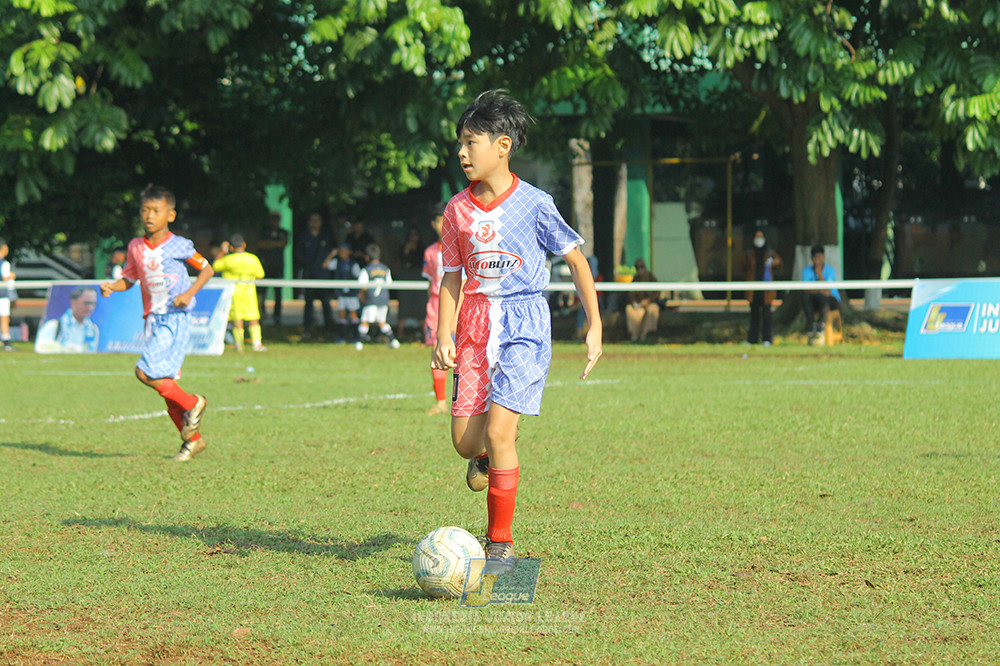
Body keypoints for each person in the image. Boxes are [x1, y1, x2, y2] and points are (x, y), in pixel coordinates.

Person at [432, 90, 603, 561]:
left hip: (525, 322)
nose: (462, 152)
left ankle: (500, 543)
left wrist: (595, 326)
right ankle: (486, 456)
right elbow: (451, 275)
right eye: (459, 144)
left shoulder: (535, 203)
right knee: (467, 443)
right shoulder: (456, 211)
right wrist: (443, 335)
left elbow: (575, 259)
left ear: (502, 146)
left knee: (501, 432)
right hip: (473, 326)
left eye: (471, 142)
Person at [100, 185, 214, 462]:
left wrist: (188, 294)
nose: (149, 216)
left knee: (145, 372)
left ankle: (193, 403)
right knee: (166, 388)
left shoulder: (179, 245)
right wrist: (113, 287)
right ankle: (194, 441)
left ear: (170, 215)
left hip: (175, 319)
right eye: (145, 210)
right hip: (152, 318)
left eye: (156, 211)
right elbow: (129, 278)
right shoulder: (135, 247)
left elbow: (207, 268)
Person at [213, 233, 267, 352]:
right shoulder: (252, 258)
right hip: (249, 292)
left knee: (237, 319)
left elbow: (215, 266)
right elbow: (260, 275)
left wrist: (222, 252)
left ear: (231, 247)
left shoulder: (228, 259)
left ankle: (238, 344)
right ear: (244, 245)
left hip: (234, 293)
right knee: (253, 318)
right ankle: (257, 343)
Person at [422, 204, 452, 415]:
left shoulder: (462, 247)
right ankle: (441, 401)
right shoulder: (430, 252)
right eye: (439, 220)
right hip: (435, 305)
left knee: (464, 353)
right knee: (436, 351)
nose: (442, 225)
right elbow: (430, 282)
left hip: (459, 304)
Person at [296, 213, 334, 339]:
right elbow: (299, 253)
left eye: (317, 220)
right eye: (312, 220)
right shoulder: (304, 237)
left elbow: (333, 250)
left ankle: (329, 329)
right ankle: (307, 328)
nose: (315, 223)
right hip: (310, 274)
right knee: (308, 303)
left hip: (323, 275)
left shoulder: (326, 237)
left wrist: (326, 262)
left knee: (325, 303)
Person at [743, 230, 783, 345]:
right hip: (753, 289)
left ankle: (767, 339)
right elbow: (742, 265)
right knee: (754, 315)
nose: (758, 239)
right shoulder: (749, 252)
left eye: (761, 236)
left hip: (767, 290)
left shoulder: (769, 252)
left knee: (767, 314)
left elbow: (779, 263)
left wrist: (774, 263)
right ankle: (752, 339)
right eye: (757, 236)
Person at [357, 243, 400, 349]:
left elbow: (362, 286)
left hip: (371, 300)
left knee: (365, 321)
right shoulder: (385, 269)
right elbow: (389, 283)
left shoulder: (366, 270)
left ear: (367, 257)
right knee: (381, 321)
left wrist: (362, 296)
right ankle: (393, 340)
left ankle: (359, 342)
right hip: (383, 300)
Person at [35, 286, 100, 353]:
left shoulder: (93, 329)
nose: (90, 308)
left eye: (93, 304)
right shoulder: (53, 325)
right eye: (86, 303)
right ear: (73, 302)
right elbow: (40, 348)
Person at [325, 242, 362, 348]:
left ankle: (356, 336)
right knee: (341, 314)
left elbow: (359, 278)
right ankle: (342, 336)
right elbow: (325, 265)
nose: (342, 253)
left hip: (351, 294)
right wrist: (331, 255)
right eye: (341, 251)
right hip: (341, 293)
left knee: (353, 314)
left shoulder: (353, 264)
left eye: (344, 251)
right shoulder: (336, 262)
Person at [257, 211, 288, 324]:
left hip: (278, 266)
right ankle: (262, 314)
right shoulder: (264, 231)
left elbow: (283, 244)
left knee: (278, 292)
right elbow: (260, 244)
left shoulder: (283, 232)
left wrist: (269, 243)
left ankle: (277, 316)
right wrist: (275, 244)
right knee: (262, 292)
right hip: (265, 265)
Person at [802, 244, 841, 335]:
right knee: (805, 298)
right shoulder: (806, 271)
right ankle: (811, 326)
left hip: (831, 299)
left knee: (825, 299)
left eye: (819, 257)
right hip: (815, 298)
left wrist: (819, 274)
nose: (817, 261)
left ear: (823, 257)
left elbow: (828, 290)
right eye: (815, 258)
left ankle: (820, 327)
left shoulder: (830, 270)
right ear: (812, 258)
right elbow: (806, 290)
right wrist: (820, 290)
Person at [624, 258, 661, 343]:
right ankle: (635, 335)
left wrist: (648, 301)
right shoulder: (635, 279)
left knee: (653, 309)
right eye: (638, 267)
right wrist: (634, 302)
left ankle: (645, 334)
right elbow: (631, 294)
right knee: (629, 309)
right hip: (638, 306)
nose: (640, 269)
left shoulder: (651, 278)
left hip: (650, 304)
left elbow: (657, 293)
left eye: (642, 267)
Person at [0, 238, 16, 351]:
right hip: (2, 294)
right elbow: (5, 278)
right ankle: (6, 341)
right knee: (4, 317)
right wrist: (11, 276)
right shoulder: (4, 264)